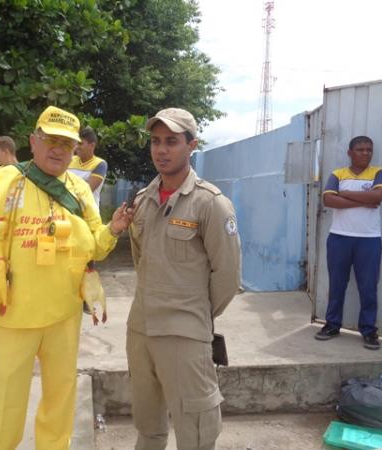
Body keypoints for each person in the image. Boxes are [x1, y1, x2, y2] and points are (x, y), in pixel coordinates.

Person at [0, 105, 133, 450]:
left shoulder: (80, 191)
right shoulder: (3, 182)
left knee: (61, 391)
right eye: (50, 140)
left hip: (63, 312)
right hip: (12, 311)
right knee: (4, 394)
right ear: (32, 142)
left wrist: (113, 229)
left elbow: (95, 247)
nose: (58, 149)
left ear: (75, 150)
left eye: (66, 144)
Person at [127, 108, 241, 450]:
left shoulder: (211, 204)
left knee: (195, 432)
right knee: (148, 426)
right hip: (141, 329)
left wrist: (195, 315)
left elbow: (228, 276)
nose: (161, 150)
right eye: (156, 141)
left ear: (191, 145)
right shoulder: (143, 201)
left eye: (172, 142)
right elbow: (141, 261)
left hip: (184, 335)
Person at [315, 136, 382, 350]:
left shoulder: (379, 173)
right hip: (339, 237)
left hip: (369, 240)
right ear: (350, 152)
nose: (365, 153)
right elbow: (328, 200)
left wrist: (345, 194)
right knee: (337, 284)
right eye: (360, 150)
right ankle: (332, 324)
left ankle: (368, 330)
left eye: (369, 150)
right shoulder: (338, 174)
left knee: (368, 288)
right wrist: (365, 199)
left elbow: (378, 197)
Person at [68, 126, 107, 207]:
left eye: (80, 144)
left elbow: (86, 190)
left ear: (92, 145)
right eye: (76, 143)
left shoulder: (100, 164)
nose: (77, 147)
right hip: (68, 211)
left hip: (89, 214)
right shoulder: (70, 159)